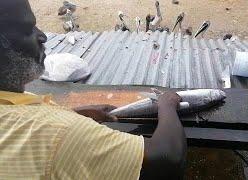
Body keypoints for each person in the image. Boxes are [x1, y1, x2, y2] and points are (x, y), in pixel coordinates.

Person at [0, 0, 187, 179]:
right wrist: (166, 106)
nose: (43, 35)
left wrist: (74, 113)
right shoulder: (58, 132)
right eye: (27, 30)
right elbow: (168, 159)